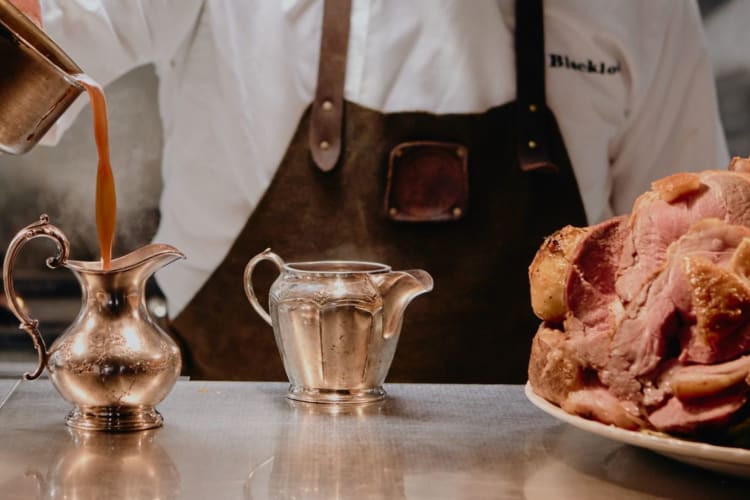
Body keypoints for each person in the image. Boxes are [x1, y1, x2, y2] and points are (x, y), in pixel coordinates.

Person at [15, 0, 728, 382]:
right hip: (225, 462)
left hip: (544, 473)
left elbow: (694, 274)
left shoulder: (645, 10)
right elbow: (36, 40)